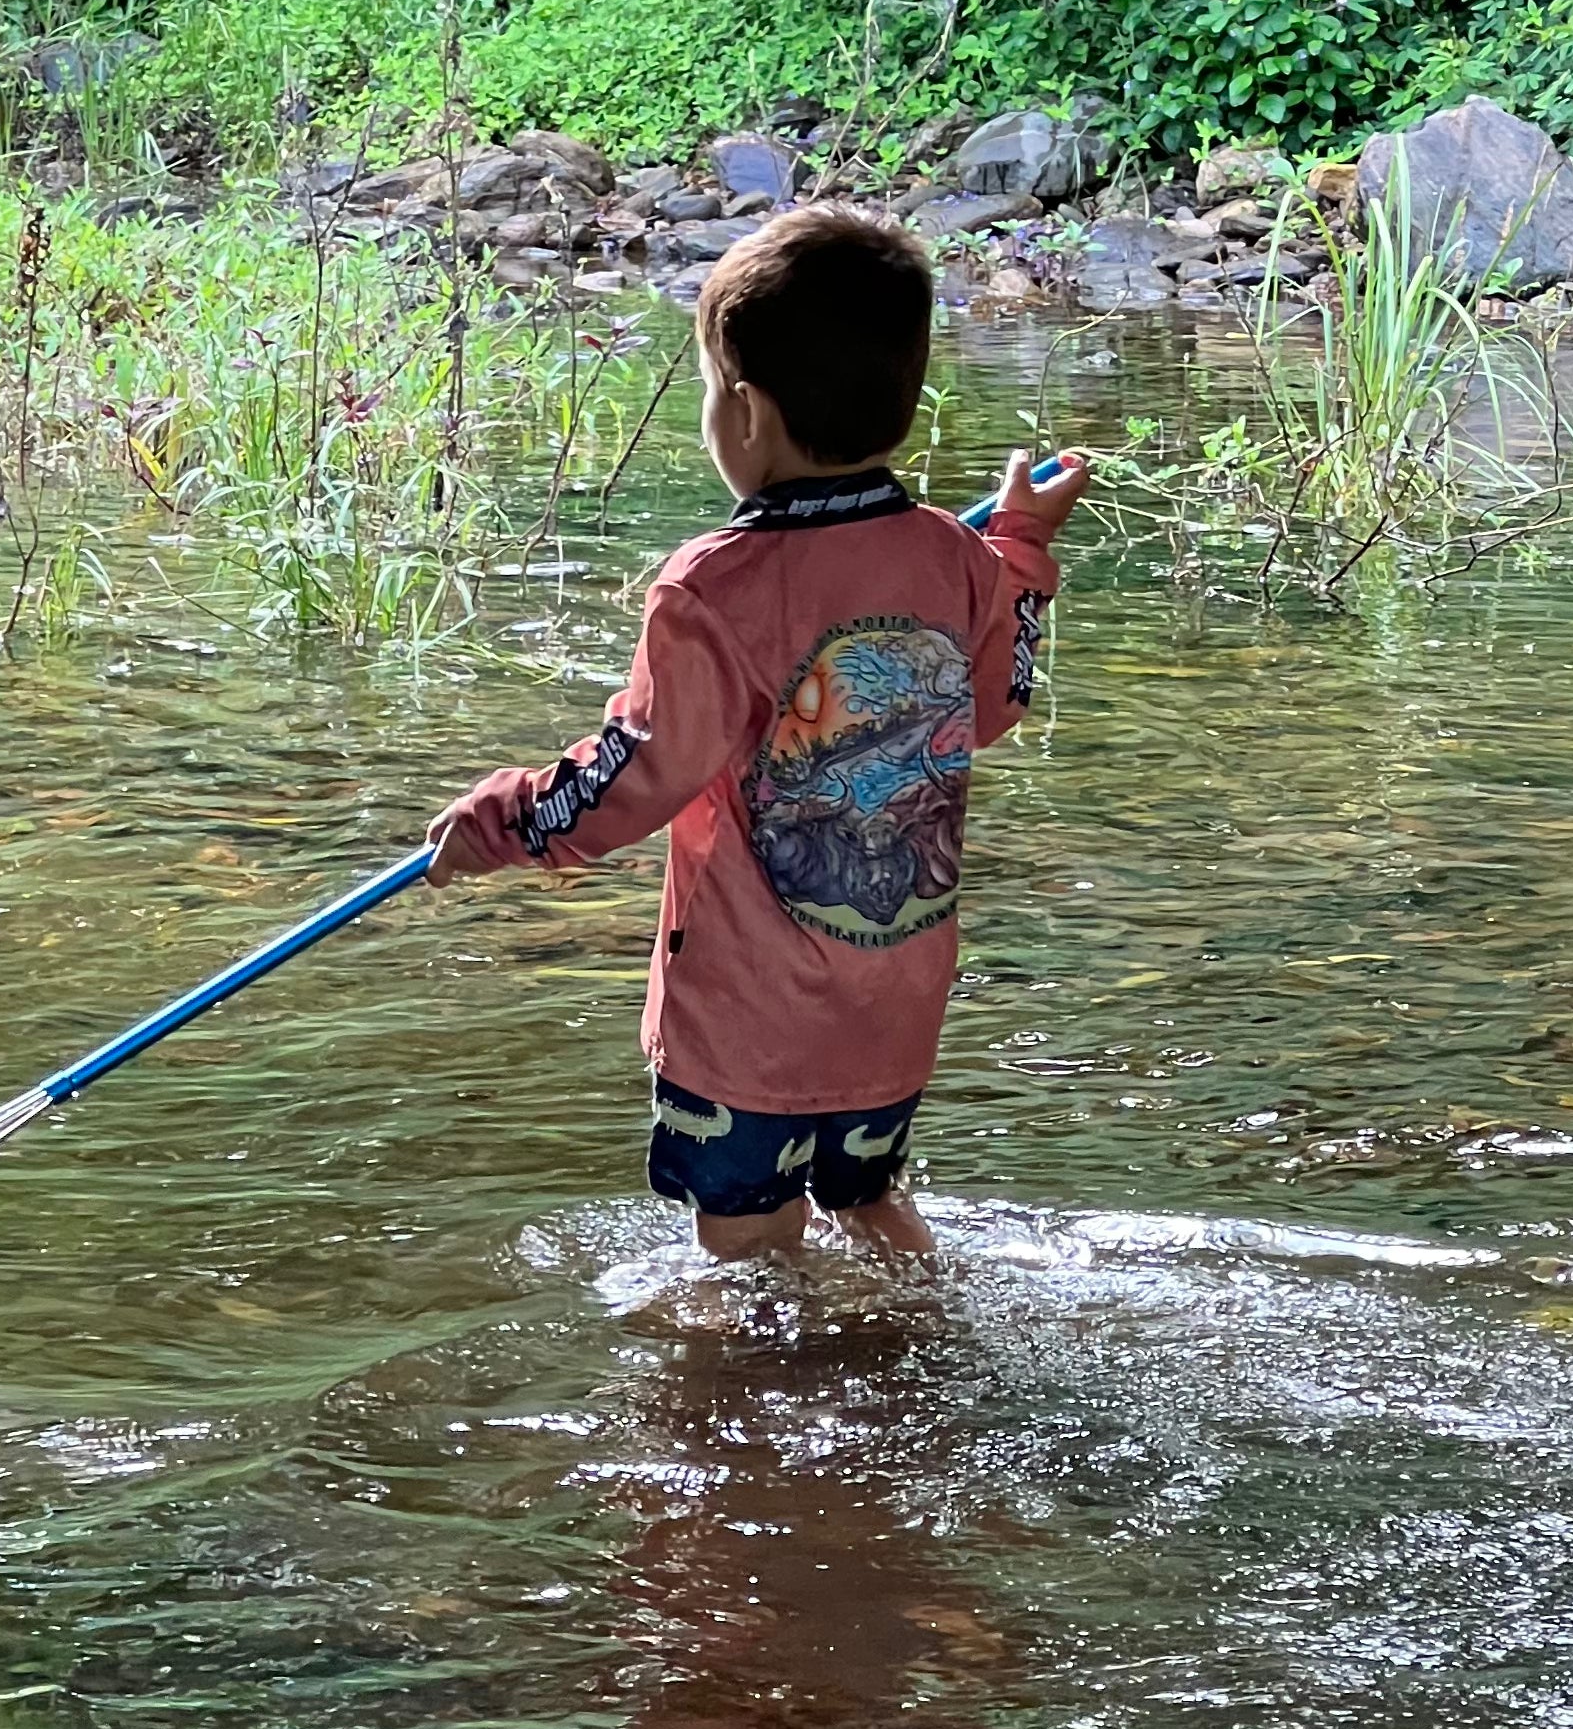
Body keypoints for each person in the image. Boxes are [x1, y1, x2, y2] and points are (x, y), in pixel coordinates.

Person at [426, 204, 1089, 1258]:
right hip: (893, 1002)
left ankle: (725, 1408)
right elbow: (996, 700)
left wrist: (504, 819)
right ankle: (918, 1359)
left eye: (704, 391)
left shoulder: (708, 588)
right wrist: (1018, 546)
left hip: (746, 1021)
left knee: (746, 1246)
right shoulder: (950, 559)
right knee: (869, 1202)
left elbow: (639, 777)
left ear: (744, 410)